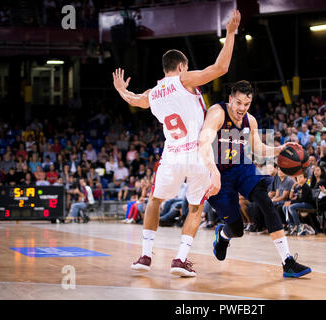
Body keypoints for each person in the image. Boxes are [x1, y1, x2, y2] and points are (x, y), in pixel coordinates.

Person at [112, 9, 241, 278]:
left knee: (154, 201)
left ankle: (145, 256)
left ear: (164, 69)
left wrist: (121, 90)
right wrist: (230, 33)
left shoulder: (154, 92)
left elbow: (135, 99)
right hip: (197, 154)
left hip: (171, 154)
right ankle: (180, 260)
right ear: (182, 67)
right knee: (195, 208)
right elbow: (220, 68)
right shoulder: (184, 80)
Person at [198, 80, 311, 278]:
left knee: (265, 201)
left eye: (247, 104)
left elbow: (258, 148)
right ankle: (223, 235)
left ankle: (287, 262)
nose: (242, 108)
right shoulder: (217, 113)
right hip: (216, 172)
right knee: (237, 229)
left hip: (242, 166)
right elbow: (203, 142)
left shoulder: (250, 120)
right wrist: (213, 172)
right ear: (230, 98)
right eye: (238, 103)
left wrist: (278, 150)